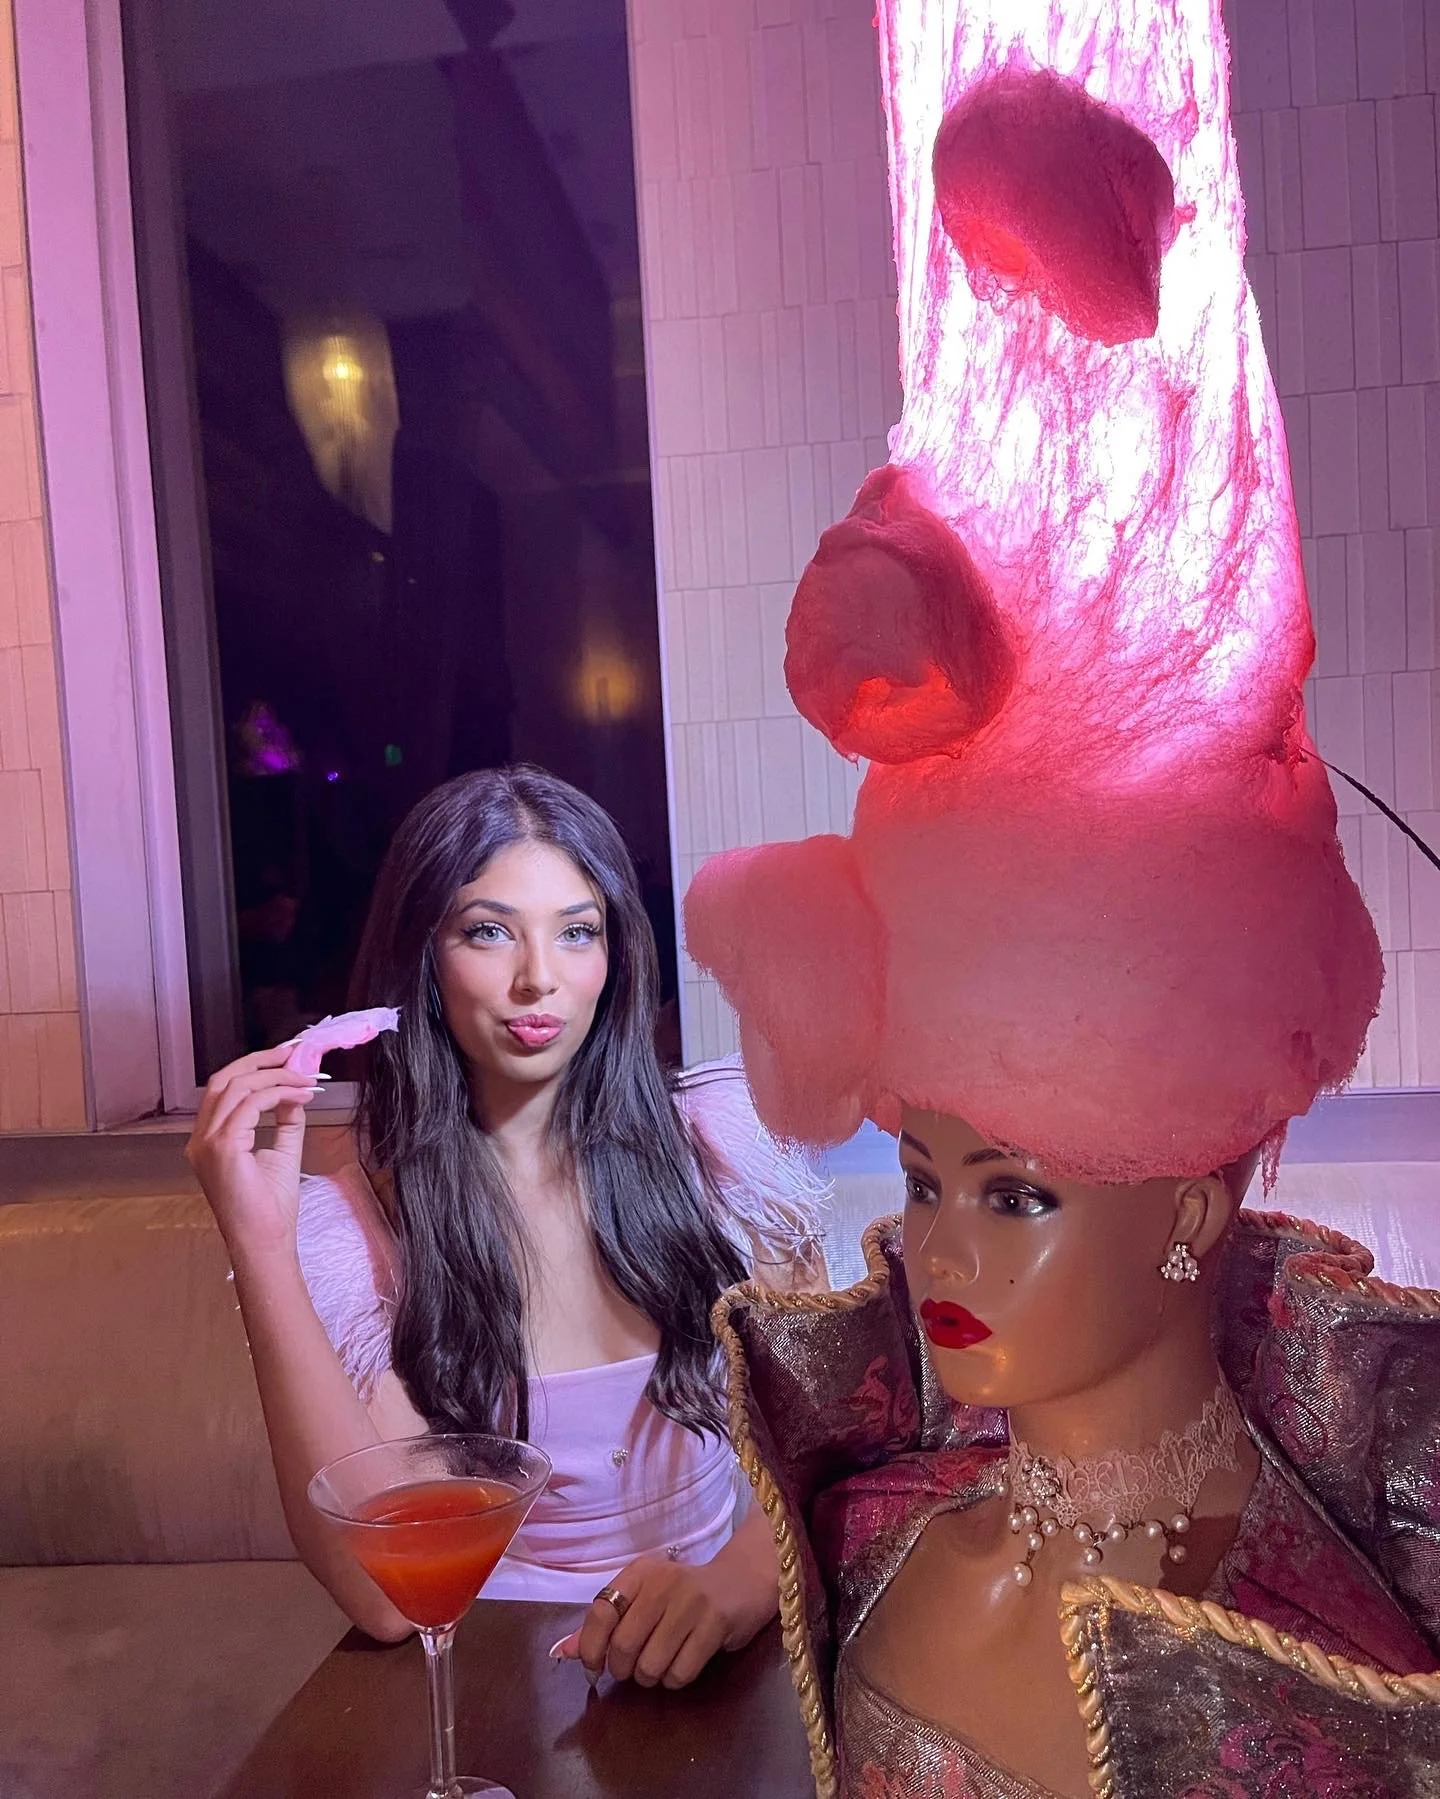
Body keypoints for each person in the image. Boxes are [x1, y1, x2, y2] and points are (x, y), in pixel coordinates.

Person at [685, 0, 1440, 1791]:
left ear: (1194, 1197)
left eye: (1013, 1184)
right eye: (932, 1170)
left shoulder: (1309, 1686)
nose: (933, 1246)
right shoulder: (879, 1525)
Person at [188, 764, 828, 1690]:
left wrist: (733, 1585)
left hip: (718, 1678)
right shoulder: (364, 1231)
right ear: (423, 959)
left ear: (615, 957)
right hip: (490, 1694)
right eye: (489, 932)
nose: (540, 980)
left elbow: (831, 1453)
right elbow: (384, 1597)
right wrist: (260, 1244)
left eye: (578, 932)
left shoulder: (725, 1159)